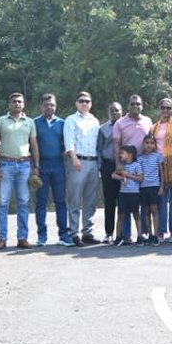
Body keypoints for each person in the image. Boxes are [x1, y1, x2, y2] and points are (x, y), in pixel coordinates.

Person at [0, 92, 38, 250]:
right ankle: (1, 238)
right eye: (14, 102)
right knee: (3, 202)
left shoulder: (29, 122)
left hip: (24, 165)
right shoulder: (1, 121)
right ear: (9, 104)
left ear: (23, 104)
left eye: (19, 102)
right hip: (6, 164)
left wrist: (36, 166)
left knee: (24, 202)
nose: (16, 104)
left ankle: (22, 237)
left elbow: (34, 145)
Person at [63, 91, 102, 246]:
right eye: (81, 101)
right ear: (76, 103)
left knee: (90, 200)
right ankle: (73, 233)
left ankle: (87, 232)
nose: (84, 103)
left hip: (93, 162)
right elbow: (69, 142)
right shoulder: (71, 120)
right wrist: (74, 159)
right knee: (74, 198)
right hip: (77, 161)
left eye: (87, 101)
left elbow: (97, 144)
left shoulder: (95, 121)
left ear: (91, 103)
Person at [33, 94, 71, 247]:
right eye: (47, 105)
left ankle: (64, 235)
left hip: (58, 166)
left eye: (52, 105)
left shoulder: (62, 123)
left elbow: (66, 143)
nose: (50, 107)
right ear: (41, 106)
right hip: (42, 166)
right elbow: (32, 146)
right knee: (41, 202)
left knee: (61, 201)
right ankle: (42, 236)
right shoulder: (34, 123)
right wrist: (34, 167)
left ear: (56, 106)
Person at [151, 99, 172, 243]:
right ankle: (160, 232)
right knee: (161, 200)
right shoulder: (154, 127)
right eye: (163, 107)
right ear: (160, 109)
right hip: (159, 166)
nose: (165, 110)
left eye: (168, 108)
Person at [97, 102, 123, 243]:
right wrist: (101, 168)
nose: (115, 113)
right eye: (112, 111)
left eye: (117, 111)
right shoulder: (103, 129)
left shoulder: (126, 126)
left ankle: (123, 233)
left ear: (122, 111)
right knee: (110, 201)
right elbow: (99, 149)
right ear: (109, 112)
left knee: (124, 200)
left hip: (123, 167)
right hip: (108, 166)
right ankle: (109, 232)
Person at [137, 134, 164, 245]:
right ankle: (150, 234)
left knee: (155, 210)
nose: (149, 145)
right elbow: (138, 173)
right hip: (143, 187)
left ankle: (156, 235)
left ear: (154, 145)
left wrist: (162, 186)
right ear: (143, 144)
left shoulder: (157, 156)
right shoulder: (139, 159)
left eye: (151, 143)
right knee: (146, 211)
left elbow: (161, 172)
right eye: (147, 143)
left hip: (154, 186)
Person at [113, 145, 144, 244]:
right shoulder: (122, 166)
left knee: (136, 215)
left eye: (122, 153)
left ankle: (139, 236)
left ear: (130, 155)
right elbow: (113, 175)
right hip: (123, 194)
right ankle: (118, 237)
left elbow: (140, 178)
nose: (120, 155)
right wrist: (122, 178)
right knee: (120, 215)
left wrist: (129, 176)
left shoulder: (137, 165)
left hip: (134, 193)